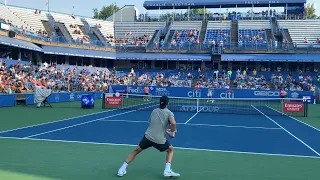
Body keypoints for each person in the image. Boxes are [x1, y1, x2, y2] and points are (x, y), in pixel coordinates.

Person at [117, 96, 180, 178]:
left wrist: (166, 131)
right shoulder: (169, 113)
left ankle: (121, 169)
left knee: (136, 151)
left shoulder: (154, 111)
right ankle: (167, 170)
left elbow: (154, 125)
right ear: (167, 103)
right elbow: (173, 123)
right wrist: (172, 132)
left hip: (148, 137)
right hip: (159, 140)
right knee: (171, 150)